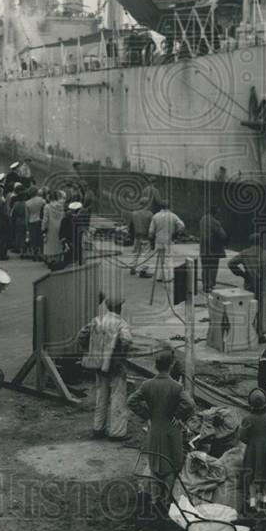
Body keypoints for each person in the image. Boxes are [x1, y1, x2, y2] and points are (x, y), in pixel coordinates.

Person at [127, 349, 196, 508]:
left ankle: (154, 498)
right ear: (171, 365)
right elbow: (190, 404)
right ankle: (166, 499)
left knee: (155, 464)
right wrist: (178, 415)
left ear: (156, 366)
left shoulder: (147, 385)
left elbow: (131, 401)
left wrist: (147, 415)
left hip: (154, 429)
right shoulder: (176, 387)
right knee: (171, 465)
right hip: (171, 430)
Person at [77, 296, 133, 440]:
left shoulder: (96, 320)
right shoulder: (121, 323)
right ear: (119, 308)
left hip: (98, 363)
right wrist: (121, 354)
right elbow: (126, 341)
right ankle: (116, 432)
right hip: (115, 365)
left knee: (101, 397)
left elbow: (82, 335)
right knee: (117, 397)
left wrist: (88, 349)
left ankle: (98, 428)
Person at [228, 232, 266, 342]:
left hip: (249, 285)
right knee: (262, 310)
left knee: (249, 309)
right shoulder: (265, 254)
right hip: (263, 285)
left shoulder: (244, 253)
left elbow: (231, 263)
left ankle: (248, 332)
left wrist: (241, 273)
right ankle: (260, 334)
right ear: (261, 242)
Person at [240, 388, 266, 511]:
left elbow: (242, 436)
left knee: (252, 477)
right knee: (265, 475)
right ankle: (263, 500)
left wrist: (252, 442)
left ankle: (252, 502)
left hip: (252, 449)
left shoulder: (247, 419)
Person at [148, 200, 185, 283]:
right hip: (168, 239)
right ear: (169, 206)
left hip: (158, 239)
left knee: (158, 258)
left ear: (160, 207)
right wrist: (176, 233)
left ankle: (158, 277)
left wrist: (151, 242)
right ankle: (168, 277)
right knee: (168, 258)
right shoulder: (173, 216)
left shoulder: (156, 216)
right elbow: (182, 225)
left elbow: (151, 231)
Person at [198, 205, 228, 293]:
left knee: (205, 267)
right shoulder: (214, 222)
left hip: (203, 248)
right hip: (213, 248)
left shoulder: (202, 220)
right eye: (218, 213)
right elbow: (223, 235)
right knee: (213, 267)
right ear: (215, 213)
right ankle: (210, 285)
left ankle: (205, 285)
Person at [127, 199, 154, 277]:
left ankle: (133, 267)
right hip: (146, 237)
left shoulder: (134, 214)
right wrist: (152, 238)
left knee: (136, 253)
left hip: (137, 236)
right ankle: (143, 270)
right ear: (147, 204)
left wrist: (131, 236)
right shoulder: (150, 214)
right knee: (145, 254)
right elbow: (151, 227)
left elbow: (131, 227)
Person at [41, 191, 66, 267]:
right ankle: (58, 260)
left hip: (50, 227)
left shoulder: (47, 207)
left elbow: (45, 219)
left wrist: (43, 228)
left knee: (50, 245)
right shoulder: (61, 206)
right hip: (59, 227)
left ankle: (51, 261)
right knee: (58, 244)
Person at [23, 188, 46, 260]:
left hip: (31, 221)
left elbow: (27, 215)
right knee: (40, 238)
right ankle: (41, 253)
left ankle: (34, 254)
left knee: (33, 238)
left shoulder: (27, 203)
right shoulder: (42, 200)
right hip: (40, 220)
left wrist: (26, 225)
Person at [9, 185, 27, 254]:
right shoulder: (26, 203)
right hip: (25, 219)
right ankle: (24, 249)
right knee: (24, 235)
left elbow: (13, 213)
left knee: (18, 235)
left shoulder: (15, 202)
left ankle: (17, 247)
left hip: (18, 220)